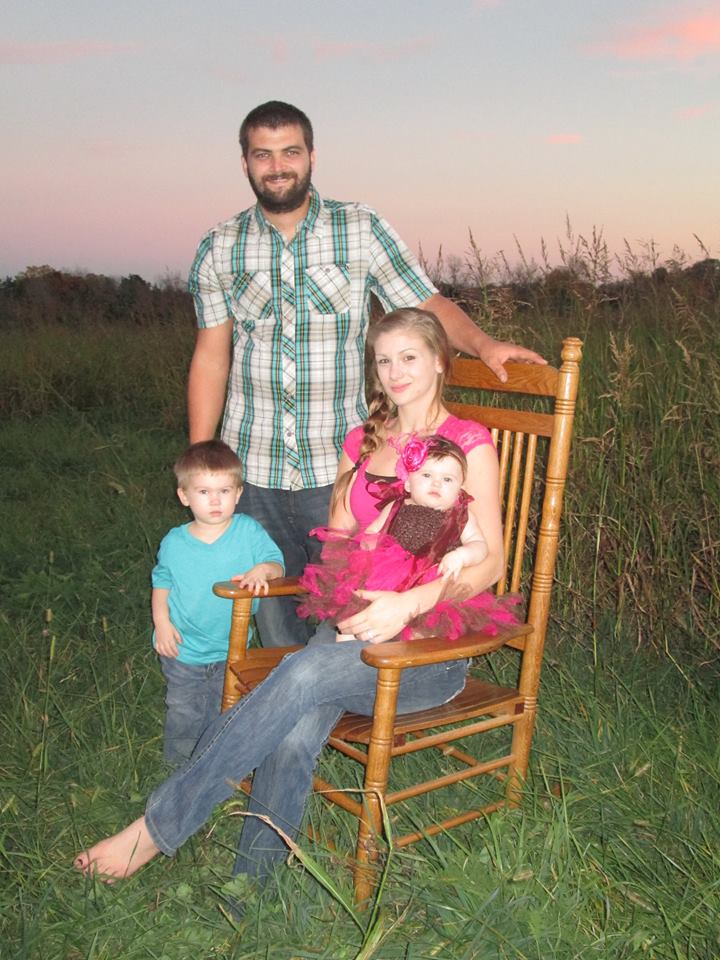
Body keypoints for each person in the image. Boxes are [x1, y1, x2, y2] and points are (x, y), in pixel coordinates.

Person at [73, 308, 510, 890]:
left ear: (439, 360)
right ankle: (252, 888)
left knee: (299, 675)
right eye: (383, 360)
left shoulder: (466, 444)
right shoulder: (363, 441)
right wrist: (356, 575)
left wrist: (408, 602)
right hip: (350, 633)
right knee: (297, 723)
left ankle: (154, 829)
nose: (396, 371)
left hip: (427, 649)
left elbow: (492, 562)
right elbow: (338, 546)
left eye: (409, 357)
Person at [187, 99, 545, 648]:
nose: (278, 166)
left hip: (341, 463)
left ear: (312, 156)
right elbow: (212, 356)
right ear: (245, 163)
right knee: (275, 622)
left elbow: (426, 304)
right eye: (263, 154)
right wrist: (203, 457)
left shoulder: (360, 229)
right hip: (253, 464)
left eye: (290, 152)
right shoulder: (220, 246)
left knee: (347, 617)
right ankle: (294, 693)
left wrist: (484, 343)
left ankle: (320, 689)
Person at [299, 435, 519, 642]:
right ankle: (346, 644)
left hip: (430, 584)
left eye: (447, 479)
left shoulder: (461, 515)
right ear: (407, 483)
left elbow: (479, 545)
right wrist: (367, 546)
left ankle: (412, 653)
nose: (436, 483)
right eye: (427, 475)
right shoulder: (396, 505)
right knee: (354, 613)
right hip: (385, 576)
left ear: (460, 489)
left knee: (429, 624)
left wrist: (462, 556)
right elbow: (373, 533)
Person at [152, 440, 284, 762]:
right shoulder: (175, 542)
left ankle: (214, 760)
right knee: (183, 707)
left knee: (224, 705)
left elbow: (276, 564)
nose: (215, 500)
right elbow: (162, 582)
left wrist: (263, 570)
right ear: (184, 496)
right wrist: (162, 623)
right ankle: (179, 765)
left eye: (224, 491)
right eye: (203, 492)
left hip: (232, 646)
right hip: (184, 647)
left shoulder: (248, 531)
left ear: (238, 494)